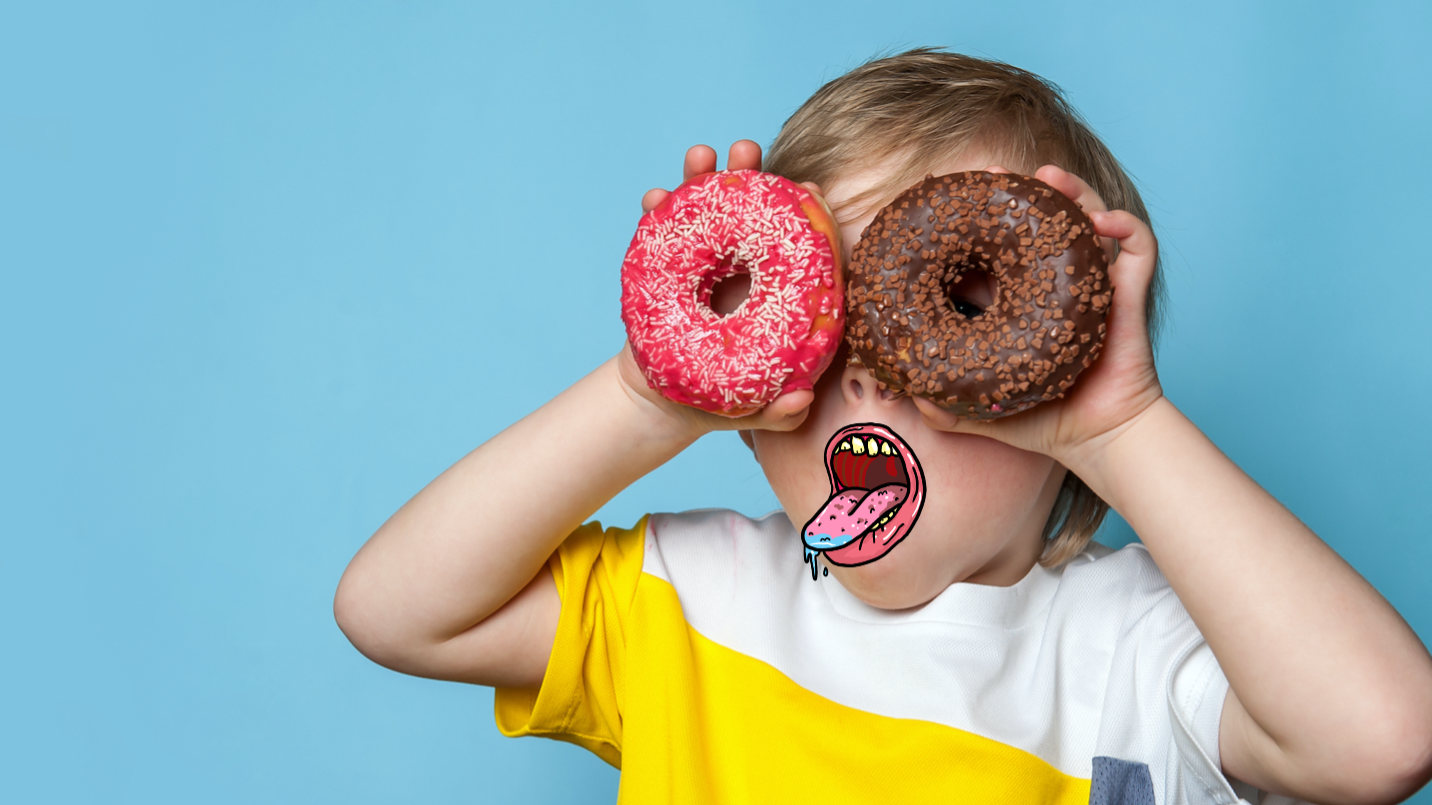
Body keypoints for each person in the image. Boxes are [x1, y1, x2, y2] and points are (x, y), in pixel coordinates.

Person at [333, 50, 1432, 804]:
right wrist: (648, 392)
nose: (869, 373)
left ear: (1055, 356)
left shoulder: (1137, 652)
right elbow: (395, 610)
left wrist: (1122, 426)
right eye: (824, 326)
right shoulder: (692, 601)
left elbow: (1382, 741)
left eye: (952, 316)